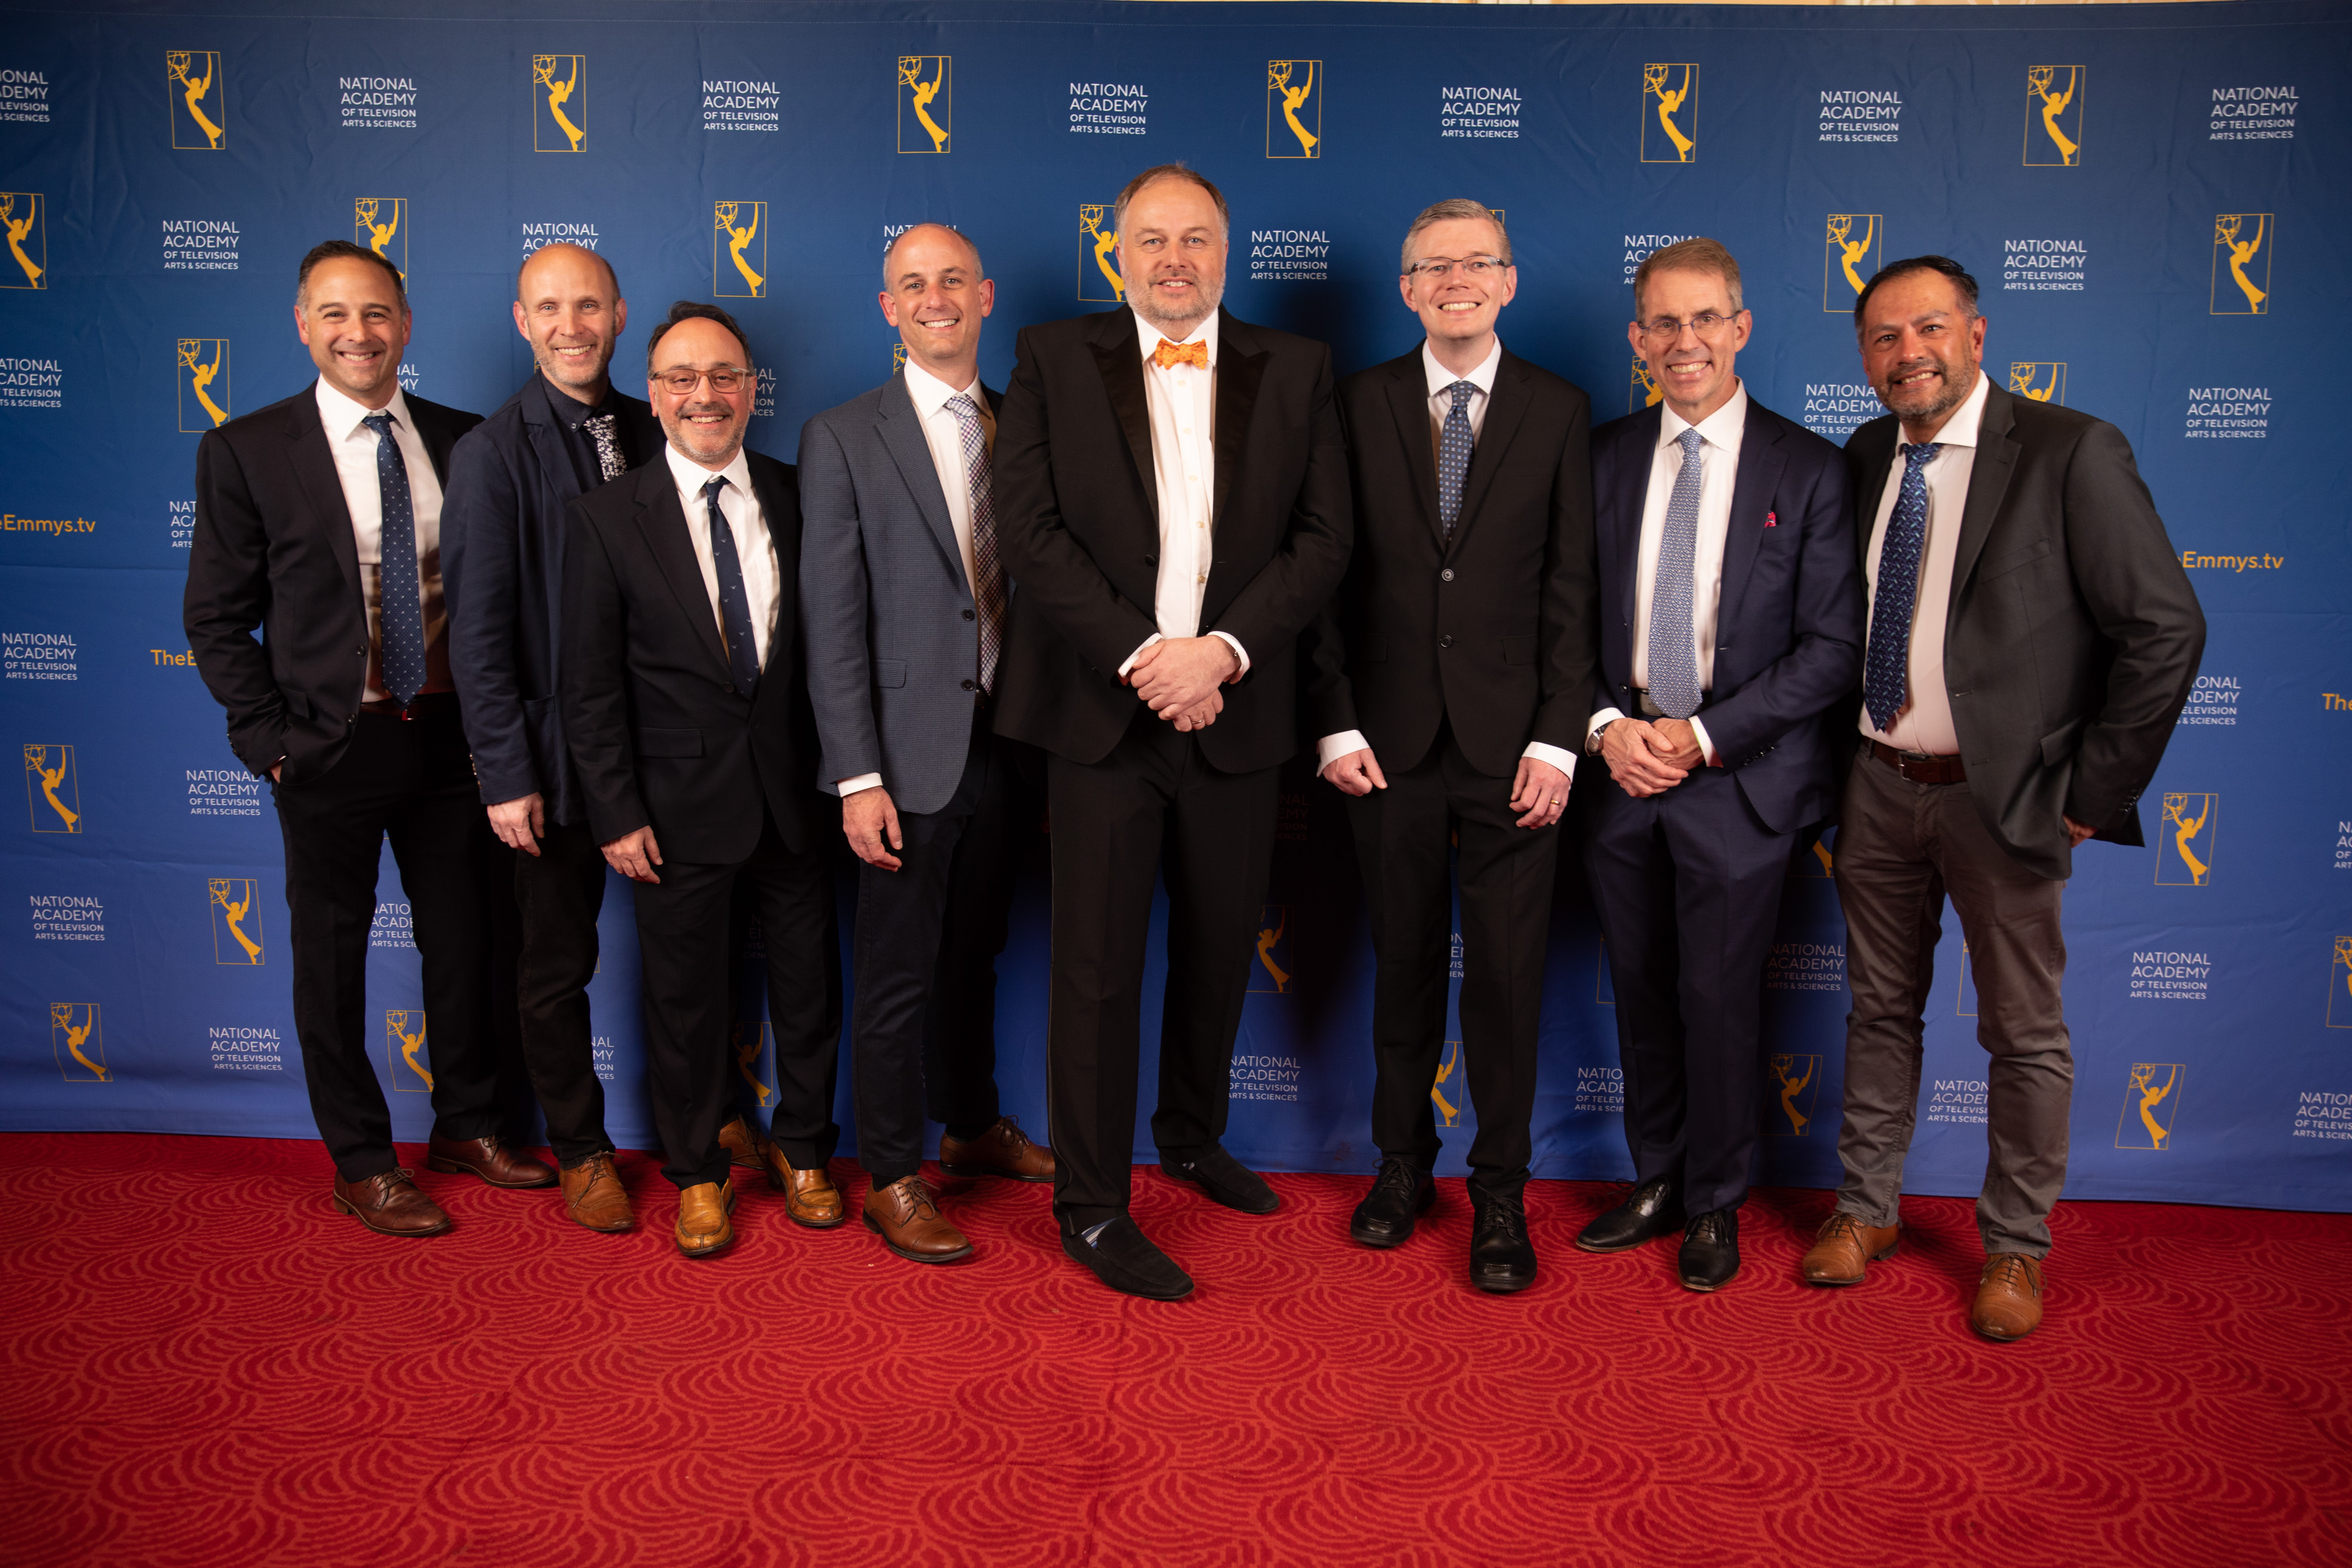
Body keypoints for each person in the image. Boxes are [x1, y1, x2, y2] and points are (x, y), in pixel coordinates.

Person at [1806, 255, 2203, 1339]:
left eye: (1929, 329)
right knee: (1880, 1011)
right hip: (1879, 782)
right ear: (1865, 357)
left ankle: (2016, 1247)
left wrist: (2092, 791)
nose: (1909, 354)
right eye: (1884, 338)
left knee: (2023, 1034)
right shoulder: (1863, 455)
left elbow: (2165, 628)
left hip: (2009, 800)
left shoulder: (2072, 451)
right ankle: (1866, 1209)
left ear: (1977, 336)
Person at [993, 163, 1351, 1299]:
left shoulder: (1296, 367)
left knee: (1218, 943)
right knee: (1097, 969)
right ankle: (1093, 1205)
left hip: (1236, 710)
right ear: (1118, 253)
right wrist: (1151, 659)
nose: (1174, 259)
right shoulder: (1052, 357)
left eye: (1195, 238)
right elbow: (1029, 532)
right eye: (1151, 239)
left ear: (1226, 251)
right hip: (1105, 714)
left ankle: (1192, 1136)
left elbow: (1324, 537)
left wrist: (1223, 653)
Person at [185, 240, 542, 1236]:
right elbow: (215, 617)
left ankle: (469, 1124)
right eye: (336, 314)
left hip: (451, 741)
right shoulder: (248, 450)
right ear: (304, 326)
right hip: (329, 745)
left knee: (467, 945)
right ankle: (363, 1161)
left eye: (377, 312)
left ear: (406, 325)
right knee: (333, 961)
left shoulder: (466, 441)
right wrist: (271, 741)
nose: (359, 333)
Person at [1302, 199, 1596, 1294]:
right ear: (1408, 289)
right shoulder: (1355, 403)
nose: (1457, 279)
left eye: (1478, 262)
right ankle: (1400, 1166)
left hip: (1515, 749)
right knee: (1405, 968)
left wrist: (1559, 742)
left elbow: (1574, 588)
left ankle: (1501, 1192)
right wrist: (1333, 719)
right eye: (1435, 265)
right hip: (1385, 745)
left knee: (1508, 983)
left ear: (1508, 282)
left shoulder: (1560, 409)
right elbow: (1323, 578)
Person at [1571, 238, 1864, 1292]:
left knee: (1721, 999)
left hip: (1741, 779)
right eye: (1664, 322)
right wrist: (1608, 729)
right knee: (1643, 993)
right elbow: (1558, 621)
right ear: (1638, 339)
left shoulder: (1810, 467)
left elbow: (1832, 648)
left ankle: (1715, 1201)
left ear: (1740, 329)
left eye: (1704, 319)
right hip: (1622, 770)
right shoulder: (1599, 459)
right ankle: (1656, 1179)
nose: (1683, 340)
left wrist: (1700, 738)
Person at [560, 302, 843, 1259]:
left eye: (723, 376)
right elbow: (589, 686)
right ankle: (697, 1175)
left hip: (796, 797)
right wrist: (615, 811)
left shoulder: (804, 495)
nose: (704, 395)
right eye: (682, 378)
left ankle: (804, 1150)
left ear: (752, 389)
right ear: (653, 394)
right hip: (671, 812)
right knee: (683, 1006)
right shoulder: (607, 519)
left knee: (809, 991)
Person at [799, 223, 1056, 1266]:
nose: (935, 298)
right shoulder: (842, 435)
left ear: (985, 296)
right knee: (898, 971)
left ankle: (971, 1123)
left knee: (977, 952)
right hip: (903, 755)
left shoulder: (1028, 424)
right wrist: (858, 775)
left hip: (1013, 738)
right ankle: (894, 1174)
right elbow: (832, 619)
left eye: (953, 280)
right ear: (888, 307)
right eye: (913, 283)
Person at [442, 243, 676, 1235]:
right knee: (556, 966)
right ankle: (582, 1150)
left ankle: (706, 1126)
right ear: (522, 321)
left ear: (619, 315)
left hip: (665, 745)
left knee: (689, 951)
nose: (571, 326)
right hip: (552, 757)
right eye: (549, 308)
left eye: (588, 305)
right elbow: (477, 632)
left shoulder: (658, 422)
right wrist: (505, 772)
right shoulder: (492, 453)